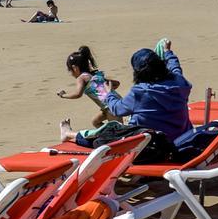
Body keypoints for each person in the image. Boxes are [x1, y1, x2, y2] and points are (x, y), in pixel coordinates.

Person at [60, 41, 193, 145]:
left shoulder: (140, 92)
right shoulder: (179, 81)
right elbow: (175, 67)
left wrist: (108, 94)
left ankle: (69, 134)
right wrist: (168, 52)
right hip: (182, 139)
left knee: (104, 140)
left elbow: (117, 109)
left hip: (150, 147)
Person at [55, 46, 123, 128]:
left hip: (109, 106)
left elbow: (78, 94)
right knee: (95, 122)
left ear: (75, 68)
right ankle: (108, 133)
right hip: (116, 101)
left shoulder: (81, 78)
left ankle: (116, 135)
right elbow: (116, 83)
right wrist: (103, 89)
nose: (71, 74)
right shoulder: (95, 75)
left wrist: (64, 95)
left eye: (70, 71)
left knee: (118, 129)